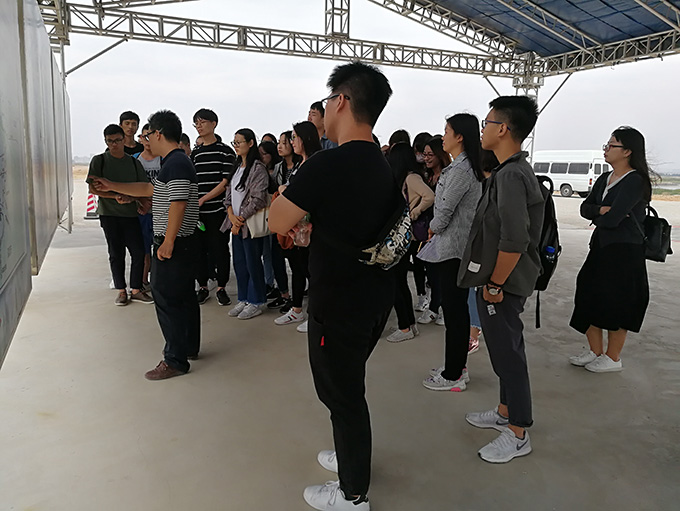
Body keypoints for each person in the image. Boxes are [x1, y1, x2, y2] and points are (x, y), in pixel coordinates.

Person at [270, 61, 399, 511]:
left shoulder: (328, 163)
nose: (323, 110)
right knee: (347, 385)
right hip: (373, 298)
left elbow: (277, 219)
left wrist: (287, 200)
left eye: (326, 101)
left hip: (339, 302)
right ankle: (350, 459)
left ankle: (352, 494)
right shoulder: (381, 163)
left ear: (341, 101)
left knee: (342, 396)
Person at [458, 95, 543, 463]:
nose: (483, 130)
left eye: (487, 123)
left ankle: (519, 432)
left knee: (509, 356)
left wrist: (494, 284)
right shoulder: (510, 170)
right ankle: (505, 412)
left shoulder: (510, 175)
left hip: (504, 283)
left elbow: (515, 239)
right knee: (503, 350)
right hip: (499, 280)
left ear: (504, 129)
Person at [92, 110, 200, 380]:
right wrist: (112, 185)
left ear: (159, 134)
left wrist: (168, 242)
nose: (145, 139)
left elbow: (178, 203)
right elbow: (149, 190)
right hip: (182, 243)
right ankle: (187, 347)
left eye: (148, 134)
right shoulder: (174, 162)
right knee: (183, 297)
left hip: (174, 244)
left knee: (167, 299)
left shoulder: (176, 163)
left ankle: (174, 359)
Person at [568, 127, 652, 372]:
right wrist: (600, 211)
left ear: (627, 151)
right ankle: (595, 351)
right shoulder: (605, 178)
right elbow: (585, 208)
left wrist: (600, 214)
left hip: (625, 251)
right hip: (601, 246)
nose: (606, 149)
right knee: (588, 293)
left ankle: (613, 357)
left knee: (618, 301)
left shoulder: (635, 181)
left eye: (611, 145)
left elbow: (613, 219)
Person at [418, 114, 484, 391]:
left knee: (455, 312)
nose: (442, 136)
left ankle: (453, 374)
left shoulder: (461, 170)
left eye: (446, 131)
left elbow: (445, 209)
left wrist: (431, 228)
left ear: (459, 136)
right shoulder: (462, 166)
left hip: (453, 249)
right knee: (456, 310)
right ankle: (457, 367)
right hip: (455, 247)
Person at [86, 124, 152, 306]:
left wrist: (136, 200)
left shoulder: (133, 163)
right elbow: (93, 188)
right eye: (110, 141)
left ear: (124, 140)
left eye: (117, 140)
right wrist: (115, 196)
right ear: (105, 141)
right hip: (109, 214)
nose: (114, 144)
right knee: (116, 253)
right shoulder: (100, 161)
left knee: (139, 252)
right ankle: (121, 290)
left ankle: (136, 289)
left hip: (131, 214)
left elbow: (143, 188)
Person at [273, 121, 321, 333]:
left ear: (305, 138)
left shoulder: (315, 163)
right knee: (299, 269)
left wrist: (285, 190)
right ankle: (296, 309)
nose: (292, 142)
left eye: (294, 137)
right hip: (299, 229)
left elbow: (302, 194)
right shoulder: (301, 164)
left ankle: (316, 315)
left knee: (314, 273)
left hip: (313, 229)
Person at [384, 142, 434, 342]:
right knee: (400, 282)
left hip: (405, 236)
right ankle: (409, 324)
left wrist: (414, 213)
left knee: (396, 282)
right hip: (404, 236)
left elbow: (430, 196)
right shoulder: (406, 177)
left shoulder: (411, 177)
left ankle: (405, 327)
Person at [191, 108, 236, 307]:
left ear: (214, 124)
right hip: (198, 213)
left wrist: (204, 199)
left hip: (218, 211)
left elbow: (225, 182)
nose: (199, 126)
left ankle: (221, 288)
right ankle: (202, 286)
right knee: (199, 250)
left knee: (220, 250)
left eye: (202, 122)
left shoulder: (225, 151)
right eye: (196, 123)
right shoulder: (195, 153)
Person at [223, 128, 269, 320]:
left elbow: (258, 199)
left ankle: (256, 301)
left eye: (239, 142)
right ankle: (243, 298)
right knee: (240, 263)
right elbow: (228, 196)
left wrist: (239, 219)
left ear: (250, 143)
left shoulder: (257, 168)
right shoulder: (236, 168)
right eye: (234, 142)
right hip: (236, 224)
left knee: (252, 263)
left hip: (249, 225)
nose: (236, 146)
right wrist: (231, 216)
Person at [266, 131, 303, 311]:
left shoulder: (301, 165)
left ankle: (297, 303)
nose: (280, 146)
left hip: (298, 220)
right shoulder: (278, 168)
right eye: (279, 143)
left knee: (299, 265)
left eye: (284, 142)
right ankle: (285, 295)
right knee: (278, 257)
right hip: (282, 218)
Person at [417, 136, 451, 326]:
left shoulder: (449, 176)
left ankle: (440, 309)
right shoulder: (426, 177)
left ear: (440, 155)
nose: (426, 158)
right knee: (431, 272)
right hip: (427, 230)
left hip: (442, 230)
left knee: (442, 274)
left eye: (430, 154)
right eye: (425, 154)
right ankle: (434, 307)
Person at [136, 124, 162, 289]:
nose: (147, 140)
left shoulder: (164, 159)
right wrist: (142, 201)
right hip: (142, 212)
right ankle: (144, 281)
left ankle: (159, 282)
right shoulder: (135, 159)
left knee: (160, 248)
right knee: (144, 250)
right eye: (144, 137)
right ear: (140, 139)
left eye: (149, 136)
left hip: (160, 211)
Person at [258, 140, 284, 297]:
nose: (262, 157)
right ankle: (269, 283)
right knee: (266, 252)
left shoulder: (278, 170)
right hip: (263, 215)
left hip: (275, 214)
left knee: (275, 253)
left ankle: (280, 288)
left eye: (264, 154)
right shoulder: (258, 169)